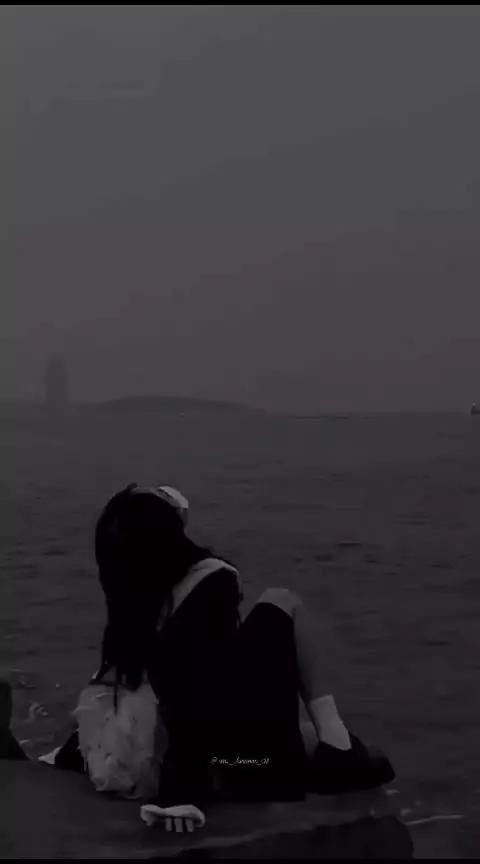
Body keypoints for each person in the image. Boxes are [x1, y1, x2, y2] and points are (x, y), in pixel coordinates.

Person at [51, 483, 394, 809]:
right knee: (281, 601)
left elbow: (114, 682)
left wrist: (70, 753)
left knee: (305, 737)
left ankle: (331, 746)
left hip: (144, 756)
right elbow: (199, 697)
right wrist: (181, 796)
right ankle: (338, 749)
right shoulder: (209, 584)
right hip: (227, 763)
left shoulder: (132, 599)